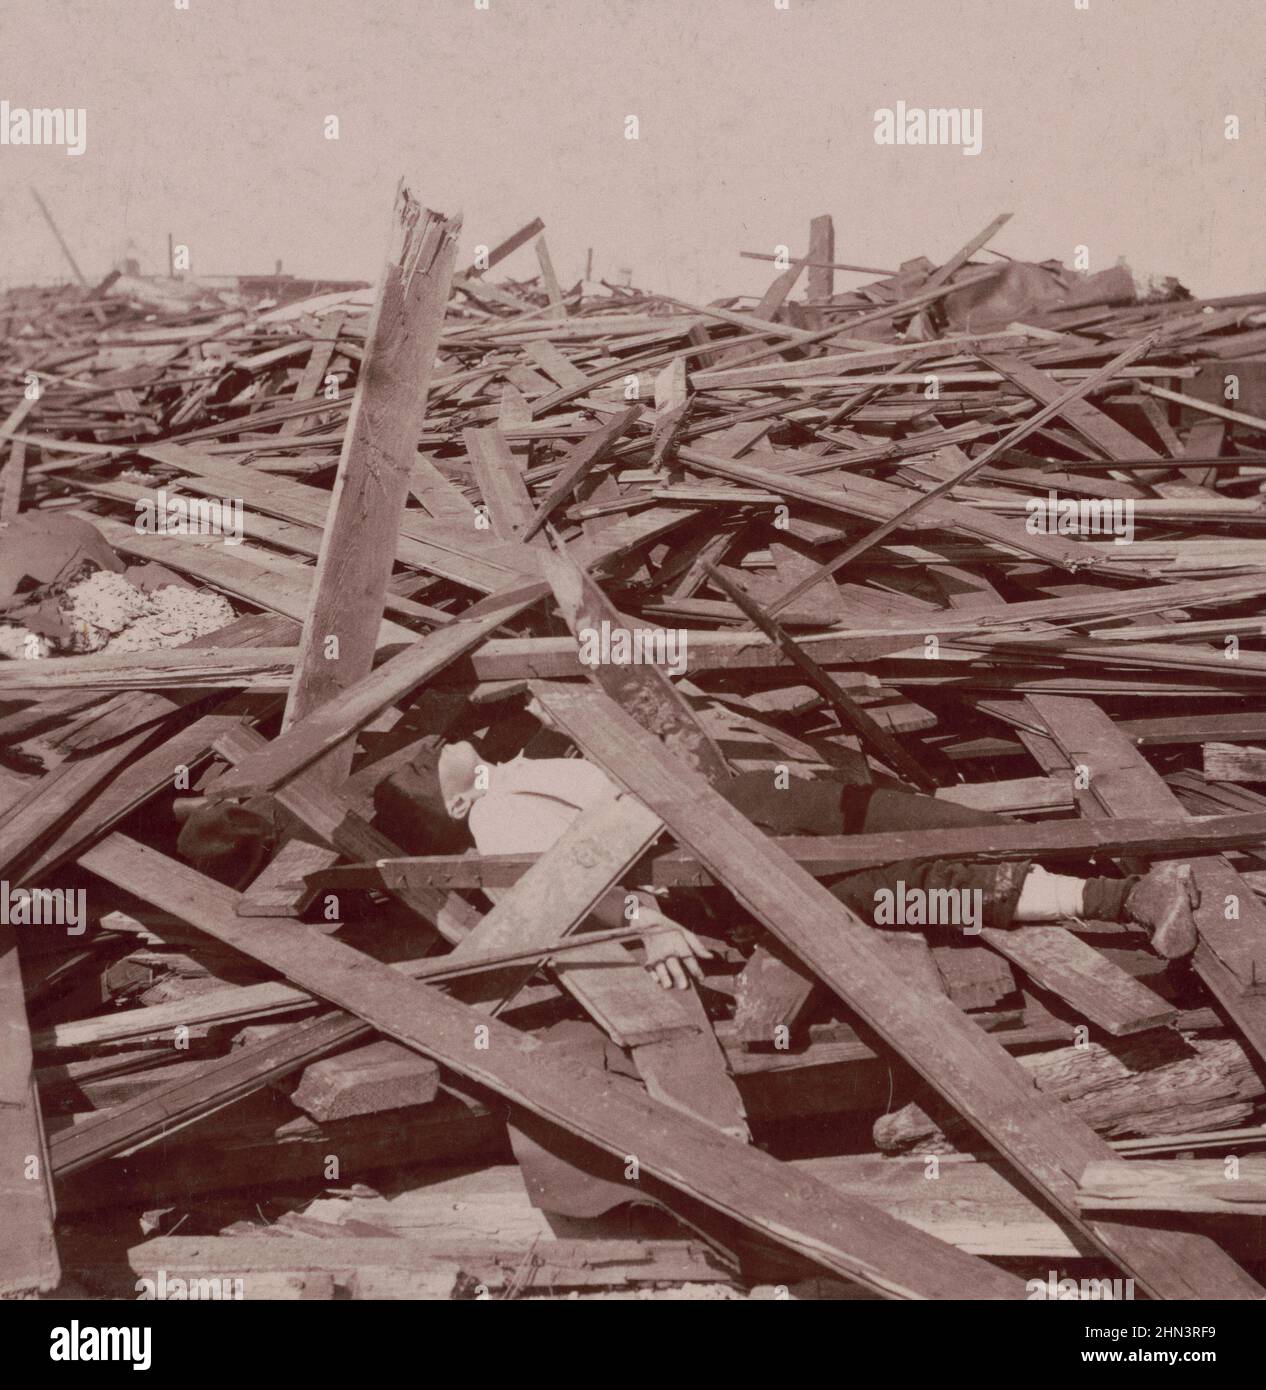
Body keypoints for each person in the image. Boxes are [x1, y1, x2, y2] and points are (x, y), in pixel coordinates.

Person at [373, 727, 1202, 991]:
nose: (421, 751)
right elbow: (571, 876)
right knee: (906, 890)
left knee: (908, 815)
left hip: (733, 800)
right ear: (444, 809)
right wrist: (653, 924)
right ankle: (1123, 903)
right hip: (694, 865)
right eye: (411, 772)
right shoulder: (496, 818)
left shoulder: (524, 753)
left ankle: (1123, 870)